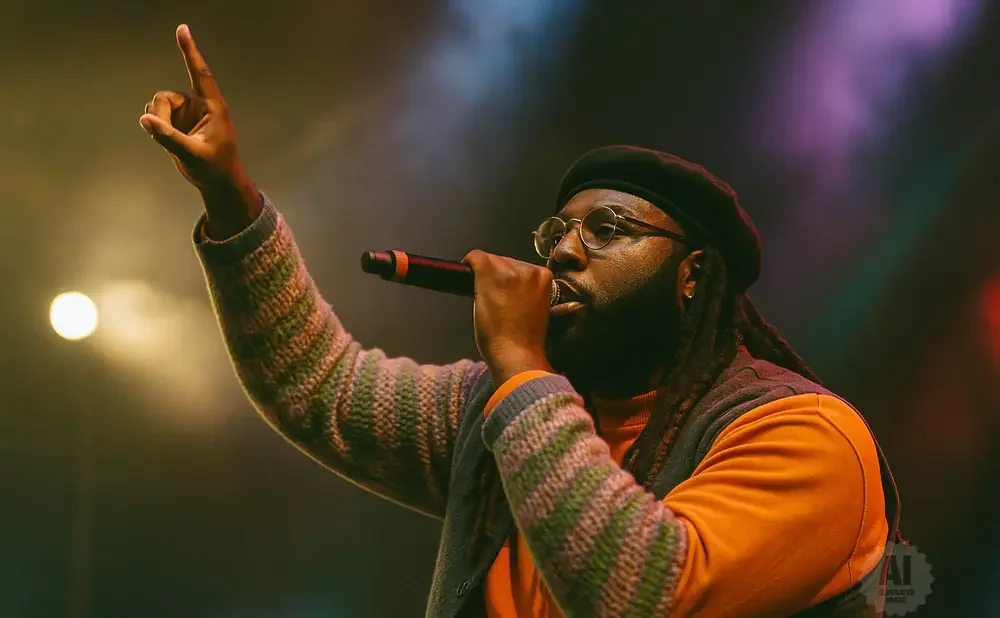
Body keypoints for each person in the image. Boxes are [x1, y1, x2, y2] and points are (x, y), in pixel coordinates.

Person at [140, 24, 901, 618]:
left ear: (693, 275)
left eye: (605, 229)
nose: (565, 252)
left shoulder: (804, 439)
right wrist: (231, 201)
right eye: (555, 235)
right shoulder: (500, 408)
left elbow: (644, 597)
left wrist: (521, 364)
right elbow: (321, 388)